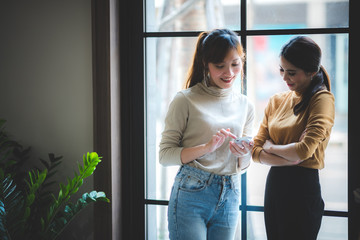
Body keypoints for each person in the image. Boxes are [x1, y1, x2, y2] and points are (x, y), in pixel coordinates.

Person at [159, 29, 254, 240]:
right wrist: (206, 148)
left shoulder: (245, 105)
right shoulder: (185, 100)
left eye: (235, 64)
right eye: (220, 66)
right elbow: (165, 156)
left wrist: (243, 153)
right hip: (191, 193)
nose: (229, 73)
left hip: (231, 192)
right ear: (206, 64)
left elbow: (244, 166)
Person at [251, 36, 335, 240]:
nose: (284, 78)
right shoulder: (276, 101)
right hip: (276, 186)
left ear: (311, 71)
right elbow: (255, 151)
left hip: (302, 189)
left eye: (292, 73)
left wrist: (271, 147)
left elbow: (303, 151)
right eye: (281, 70)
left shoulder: (321, 99)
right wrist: (290, 155)